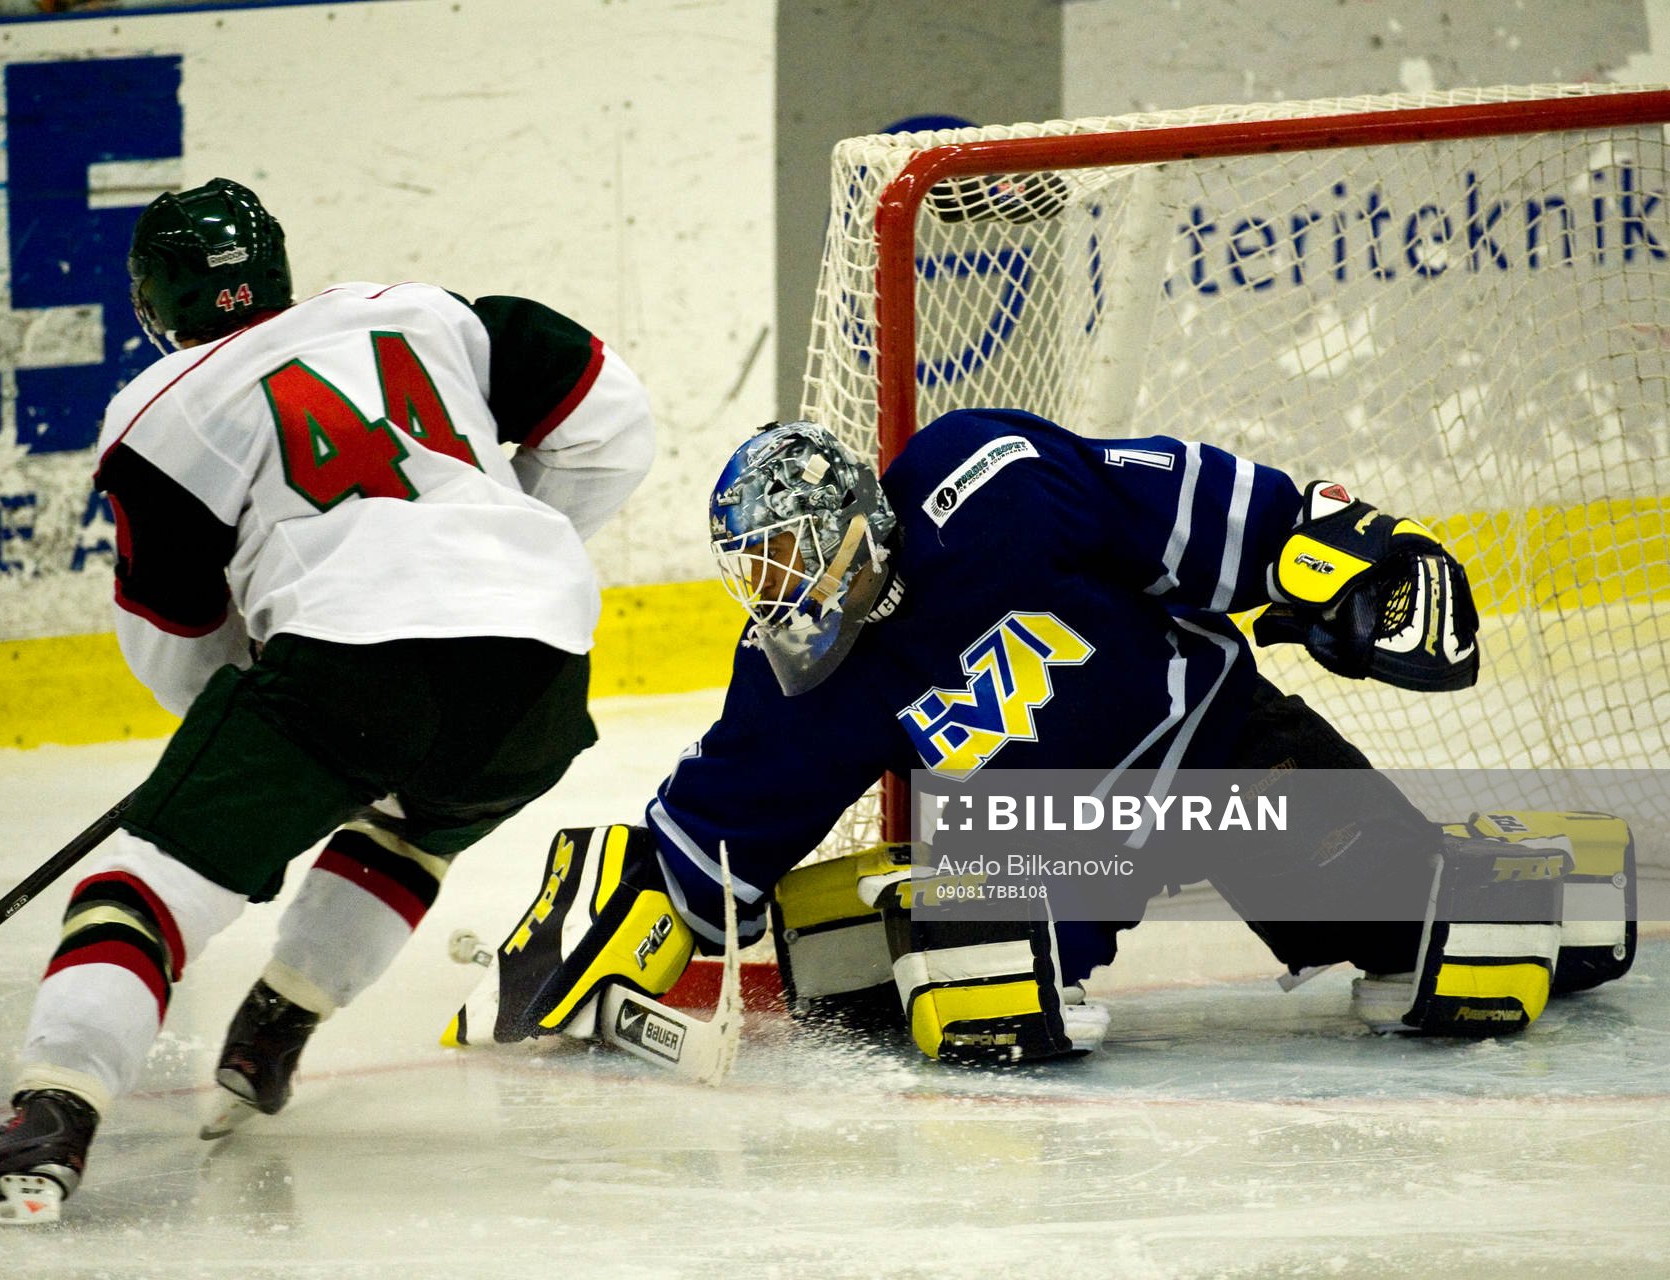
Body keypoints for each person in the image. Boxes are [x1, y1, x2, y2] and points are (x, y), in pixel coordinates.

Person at [0, 177, 654, 1225]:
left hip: (344, 664)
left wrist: (254, 743)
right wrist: (496, 553)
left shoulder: (162, 411)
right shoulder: (424, 310)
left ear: (155, 298)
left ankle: (50, 1117)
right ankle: (280, 1019)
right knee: (414, 828)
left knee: (145, 882)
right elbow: (613, 421)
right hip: (543, 665)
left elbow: (177, 639)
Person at [450, 412, 1631, 1068]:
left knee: (1444, 958)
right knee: (977, 996)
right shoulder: (796, 681)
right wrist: (606, 923)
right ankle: (918, 916)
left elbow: (1190, 504)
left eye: (797, 553)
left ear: (861, 519)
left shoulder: (990, 485)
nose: (783, 589)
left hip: (1221, 748)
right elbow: (711, 841)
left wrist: (1338, 556)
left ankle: (1528, 876)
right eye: (756, 568)